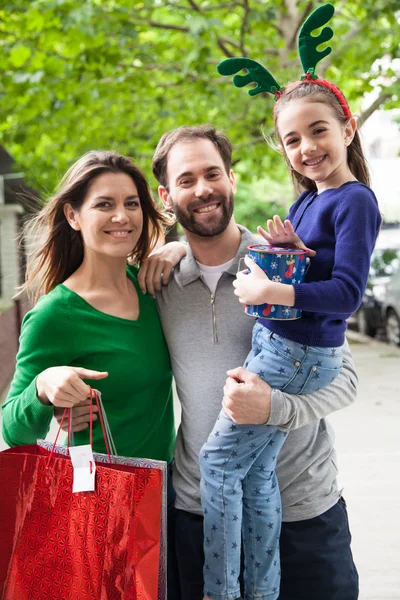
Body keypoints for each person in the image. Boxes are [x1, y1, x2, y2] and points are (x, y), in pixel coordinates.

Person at [60, 125, 360, 600]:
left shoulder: (282, 267)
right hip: (201, 515)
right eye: (186, 180)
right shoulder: (156, 285)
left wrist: (274, 410)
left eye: (212, 174)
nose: (202, 189)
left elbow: (345, 378)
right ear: (165, 195)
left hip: (304, 512)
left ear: (232, 180)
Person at [198, 62, 381, 599]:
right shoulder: (308, 198)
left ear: (347, 130)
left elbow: (346, 294)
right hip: (279, 344)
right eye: (292, 139)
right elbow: (317, 266)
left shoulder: (355, 200)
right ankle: (261, 590)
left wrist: (269, 291)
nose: (307, 147)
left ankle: (221, 591)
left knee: (217, 463)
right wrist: (287, 253)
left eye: (318, 130)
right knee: (255, 473)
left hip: (298, 354)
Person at [1, 150, 181, 600]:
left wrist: (179, 247)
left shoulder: (153, 288)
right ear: (73, 216)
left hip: (167, 503)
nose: (122, 216)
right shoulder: (55, 315)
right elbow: (10, 426)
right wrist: (44, 389)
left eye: (132, 203)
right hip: (95, 512)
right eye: (104, 204)